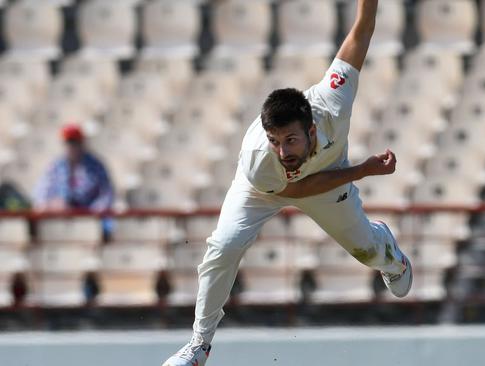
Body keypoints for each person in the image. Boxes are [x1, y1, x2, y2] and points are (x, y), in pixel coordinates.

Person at [163, 1, 412, 365]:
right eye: (275, 140)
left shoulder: (332, 100)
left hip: (328, 176)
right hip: (265, 189)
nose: (282, 150)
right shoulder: (259, 157)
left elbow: (362, 28)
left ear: (311, 129)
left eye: (291, 140)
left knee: (365, 250)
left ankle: (392, 258)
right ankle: (199, 345)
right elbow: (296, 190)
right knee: (224, 247)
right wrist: (361, 171)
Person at [34, 123, 114, 213]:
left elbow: (106, 195)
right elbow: (41, 195)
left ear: (82, 143)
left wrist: (88, 213)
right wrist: (52, 204)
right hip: (59, 217)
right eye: (68, 142)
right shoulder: (55, 167)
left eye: (74, 142)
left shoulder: (96, 166)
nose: (71, 146)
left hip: (88, 219)